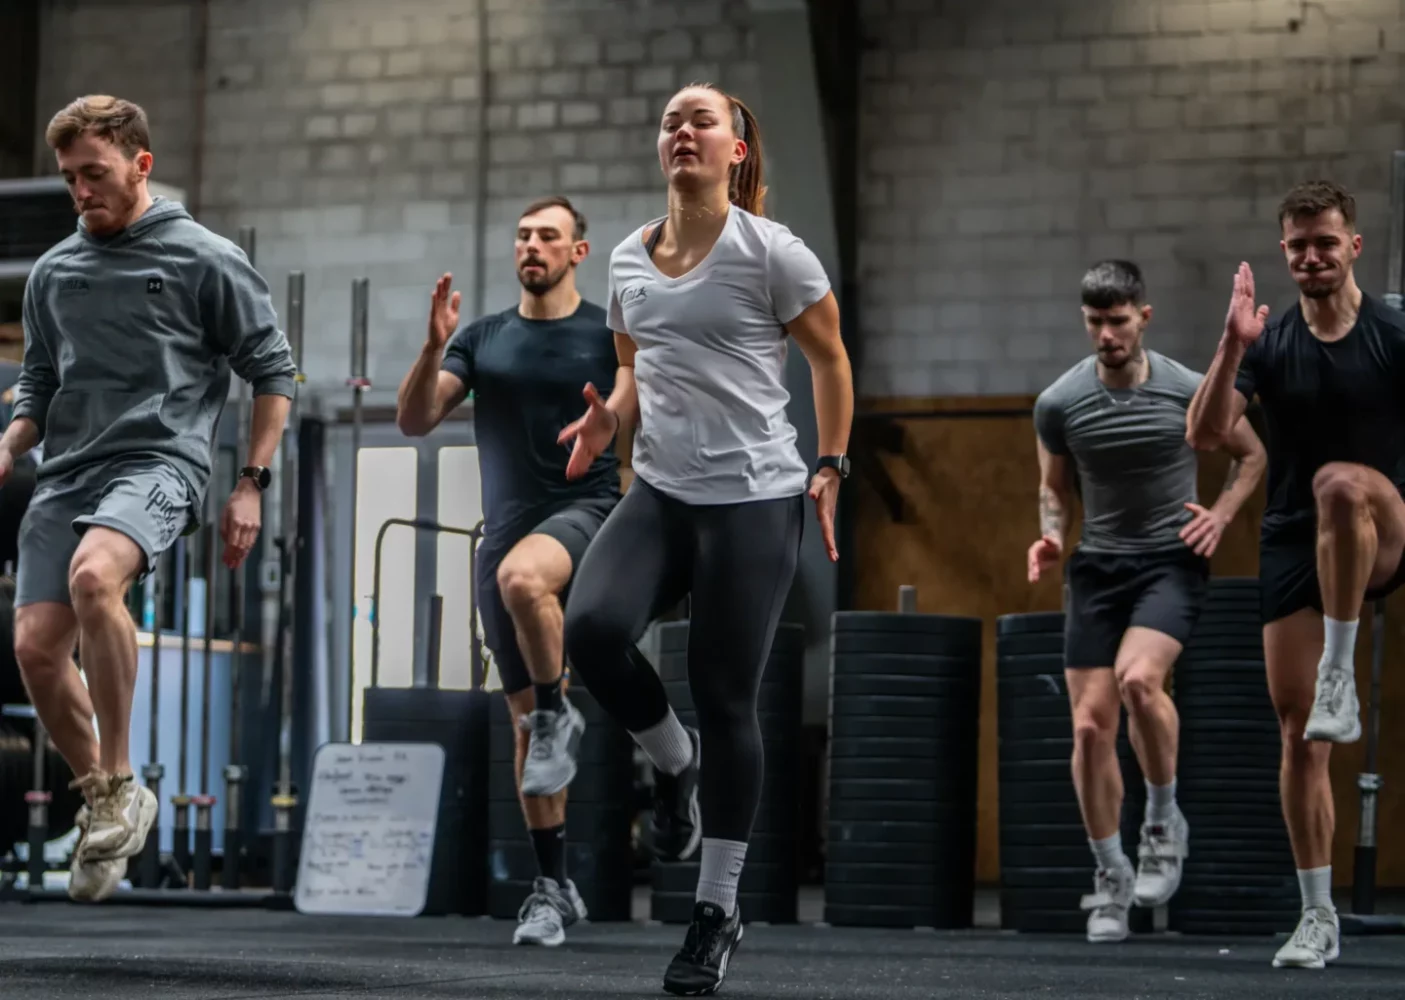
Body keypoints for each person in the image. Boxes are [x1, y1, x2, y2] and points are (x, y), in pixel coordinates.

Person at [557, 82, 853, 995]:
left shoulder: (774, 254)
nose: (682, 131)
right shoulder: (626, 258)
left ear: (736, 151)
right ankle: (672, 761)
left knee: (728, 698)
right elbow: (632, 362)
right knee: (592, 631)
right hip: (660, 490)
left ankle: (717, 910)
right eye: (669, 121)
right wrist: (609, 420)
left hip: (754, 499)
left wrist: (832, 463)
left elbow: (831, 361)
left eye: (701, 121)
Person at [7, 95, 295, 902]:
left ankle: (124, 770)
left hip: (160, 462)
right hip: (67, 471)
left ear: (141, 164)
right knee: (33, 646)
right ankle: (107, 796)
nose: (80, 193)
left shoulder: (206, 258)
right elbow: (37, 381)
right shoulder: (55, 273)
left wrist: (252, 484)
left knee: (96, 578)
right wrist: (8, 442)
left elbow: (273, 371)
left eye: (93, 174)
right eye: (69, 179)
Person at [1186, 179, 1405, 969]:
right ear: (1284, 255)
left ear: (1352, 246)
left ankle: (1339, 675)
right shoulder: (1269, 344)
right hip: (1291, 539)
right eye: (1297, 246)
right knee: (1297, 735)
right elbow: (1206, 434)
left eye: (1325, 241)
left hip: (1382, 522)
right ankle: (1317, 917)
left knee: (1339, 484)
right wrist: (1231, 346)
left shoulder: (1390, 332)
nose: (1311, 256)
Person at [395, 195, 624, 947]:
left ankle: (562, 709)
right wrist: (432, 347)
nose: (532, 246)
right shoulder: (483, 337)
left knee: (527, 583)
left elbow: (640, 399)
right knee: (524, 727)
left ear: (577, 253)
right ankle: (553, 888)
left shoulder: (606, 333)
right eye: (524, 236)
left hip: (586, 510)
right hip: (505, 534)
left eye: (548, 236)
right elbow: (415, 419)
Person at [1029, 260, 1266, 943]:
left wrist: (1219, 515)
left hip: (1169, 562)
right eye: (1095, 322)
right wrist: (1048, 538)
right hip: (1097, 569)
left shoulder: (1188, 389)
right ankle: (1110, 874)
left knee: (1139, 681)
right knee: (1085, 729)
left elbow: (1250, 455)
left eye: (1118, 320)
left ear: (1143, 317)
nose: (1107, 334)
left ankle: (1161, 820)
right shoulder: (1058, 402)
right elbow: (1053, 487)